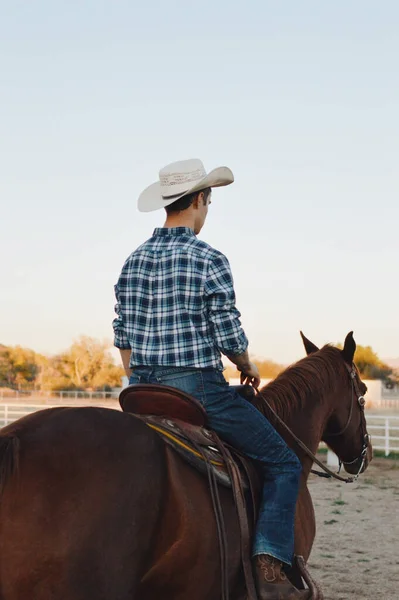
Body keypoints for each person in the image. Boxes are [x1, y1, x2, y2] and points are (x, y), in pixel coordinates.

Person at [113, 159, 309, 600]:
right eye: (209, 201)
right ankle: (267, 565)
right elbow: (227, 332)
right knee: (284, 463)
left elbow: (122, 336)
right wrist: (248, 363)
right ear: (200, 200)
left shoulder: (132, 261)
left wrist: (142, 375)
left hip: (141, 391)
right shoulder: (208, 258)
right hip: (196, 388)